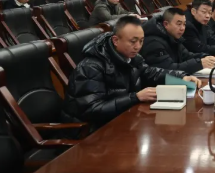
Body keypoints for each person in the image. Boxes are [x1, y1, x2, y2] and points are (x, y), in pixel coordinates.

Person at [61, 16, 201, 131]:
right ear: (116, 40)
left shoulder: (131, 57)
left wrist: (181, 77)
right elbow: (92, 110)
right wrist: (135, 97)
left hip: (122, 122)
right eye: (133, 42)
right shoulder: (90, 67)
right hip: (91, 133)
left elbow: (150, 73)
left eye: (141, 41)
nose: (138, 47)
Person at [140, 7, 215, 74]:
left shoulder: (173, 36)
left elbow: (186, 56)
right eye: (179, 24)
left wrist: (206, 57)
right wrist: (199, 63)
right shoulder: (153, 43)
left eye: (184, 24)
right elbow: (168, 69)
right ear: (166, 24)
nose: (182, 28)